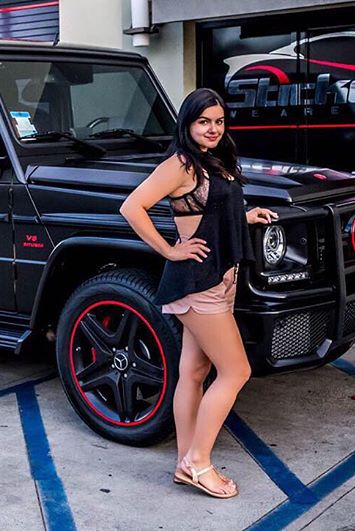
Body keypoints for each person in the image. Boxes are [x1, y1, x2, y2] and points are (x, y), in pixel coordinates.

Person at [119, 88, 277, 498]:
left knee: (194, 372)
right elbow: (132, 207)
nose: (213, 128)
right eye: (204, 121)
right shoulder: (180, 165)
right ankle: (198, 462)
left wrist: (247, 216)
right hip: (197, 285)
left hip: (219, 278)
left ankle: (183, 462)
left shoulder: (213, 160)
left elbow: (209, 211)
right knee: (236, 371)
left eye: (219, 121)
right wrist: (170, 248)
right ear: (187, 123)